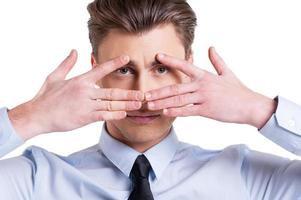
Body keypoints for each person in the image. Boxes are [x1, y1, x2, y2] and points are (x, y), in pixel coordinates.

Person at [0, 0, 301, 199]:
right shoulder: (35, 181)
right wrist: (30, 117)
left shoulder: (247, 178)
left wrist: (260, 110)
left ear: (189, 66)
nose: (143, 96)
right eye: (123, 69)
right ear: (95, 69)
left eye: (161, 68)